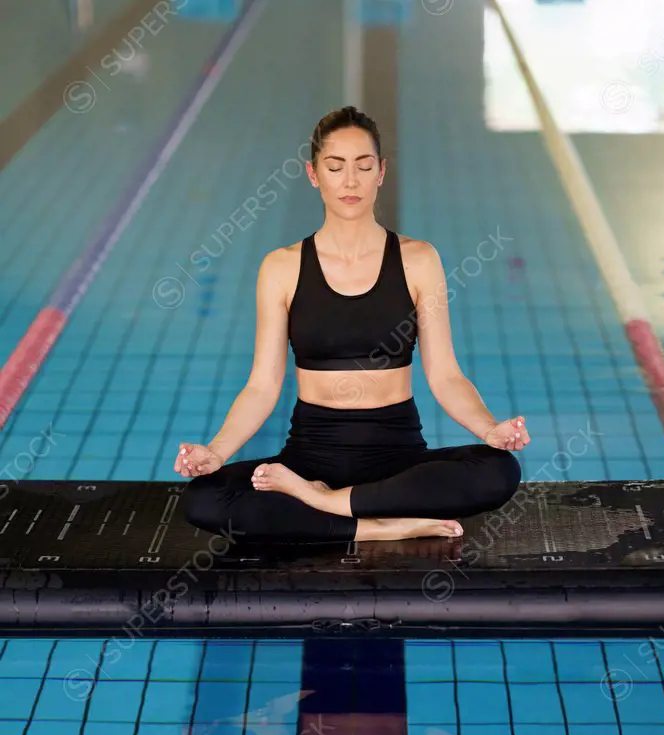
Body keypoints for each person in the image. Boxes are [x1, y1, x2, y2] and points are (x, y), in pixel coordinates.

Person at [177, 106, 530, 544]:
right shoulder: (281, 268)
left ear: (380, 172)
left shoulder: (419, 260)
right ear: (313, 174)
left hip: (397, 453)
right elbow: (262, 385)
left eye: (363, 167)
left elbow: (445, 374)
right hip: (309, 454)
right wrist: (216, 452)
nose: (350, 181)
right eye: (335, 167)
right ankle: (372, 524)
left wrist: (488, 429)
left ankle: (325, 506)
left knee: (499, 470)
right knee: (203, 498)